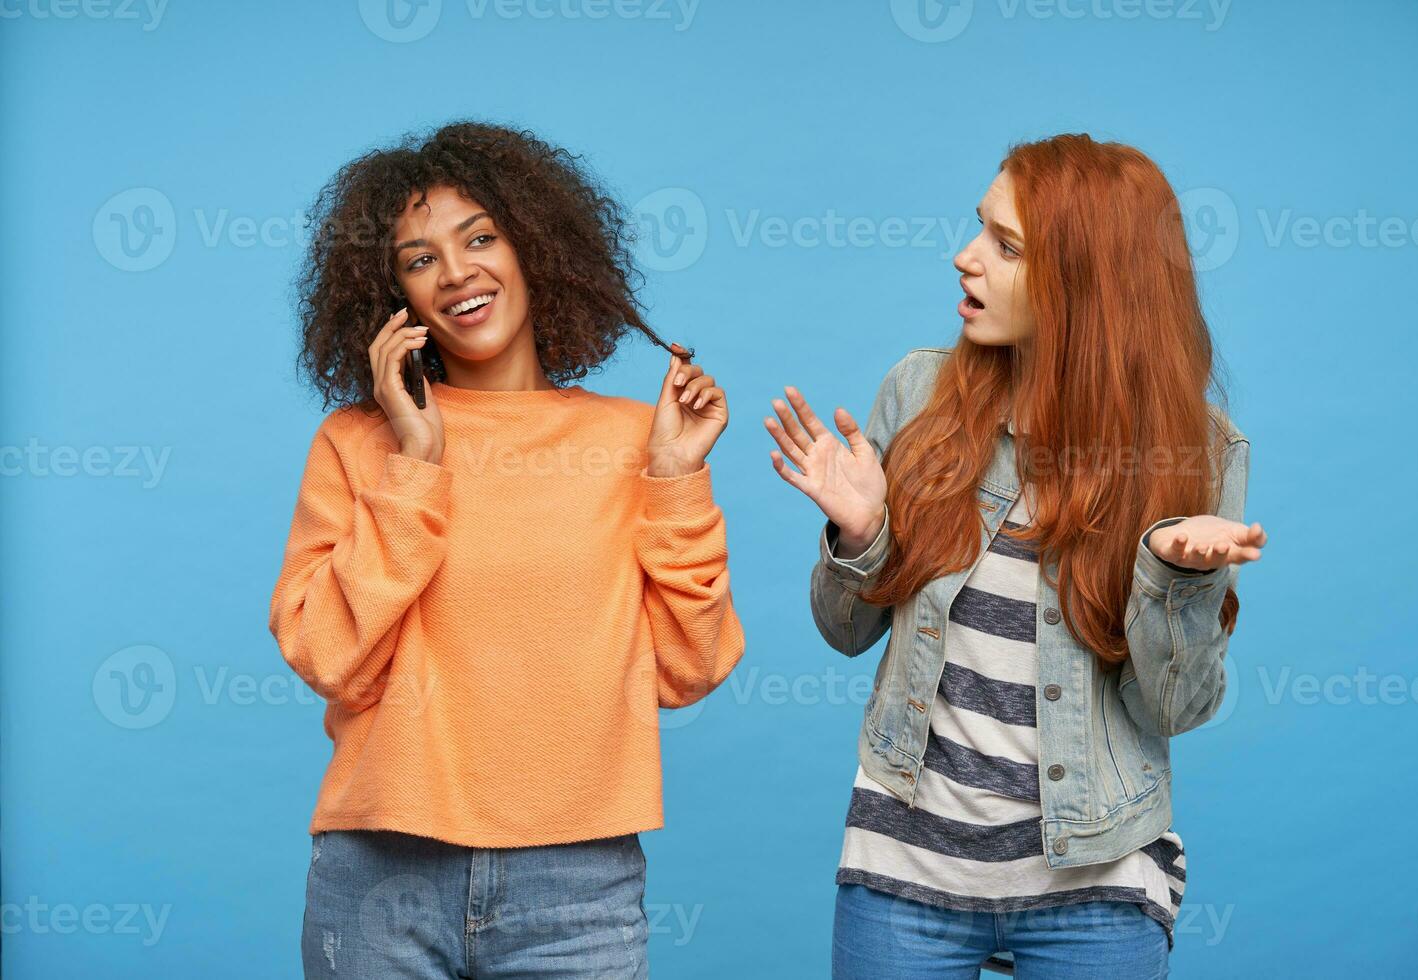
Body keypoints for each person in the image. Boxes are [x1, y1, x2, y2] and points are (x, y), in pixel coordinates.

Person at [764, 133, 1267, 978]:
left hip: (1095, 874)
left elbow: (1175, 707)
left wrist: (1176, 582)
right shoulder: (919, 397)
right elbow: (845, 632)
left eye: (1006, 247)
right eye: (979, 231)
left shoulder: (1198, 452)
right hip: (906, 867)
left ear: (1083, 280)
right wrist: (861, 537)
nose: (964, 259)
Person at [268, 120, 744, 979]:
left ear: (537, 250)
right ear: (392, 299)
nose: (456, 274)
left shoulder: (634, 439)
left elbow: (688, 668)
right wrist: (414, 465)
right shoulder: (356, 443)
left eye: (480, 237)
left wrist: (674, 477)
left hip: (577, 881)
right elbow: (330, 657)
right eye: (419, 259)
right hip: (381, 870)